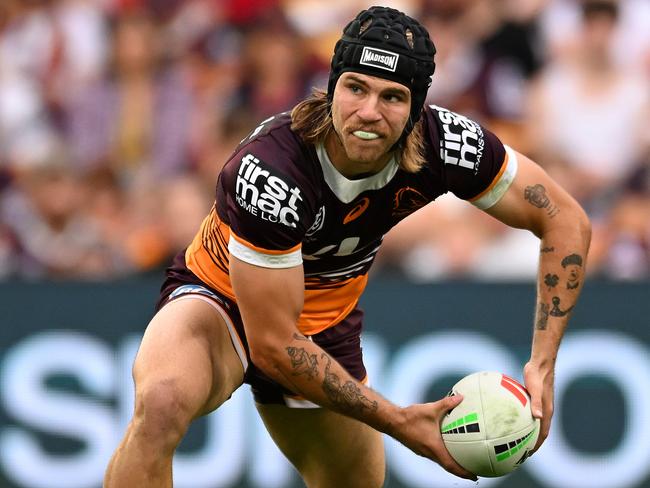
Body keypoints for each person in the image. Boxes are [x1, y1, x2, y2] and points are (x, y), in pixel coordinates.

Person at [104, 6, 591, 487]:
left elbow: (566, 221)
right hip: (217, 301)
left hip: (322, 326)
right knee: (162, 402)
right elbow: (272, 346)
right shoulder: (271, 169)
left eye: (392, 97)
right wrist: (399, 420)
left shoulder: (448, 145)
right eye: (355, 88)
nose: (369, 113)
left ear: (417, 108)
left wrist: (543, 365)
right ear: (331, 86)